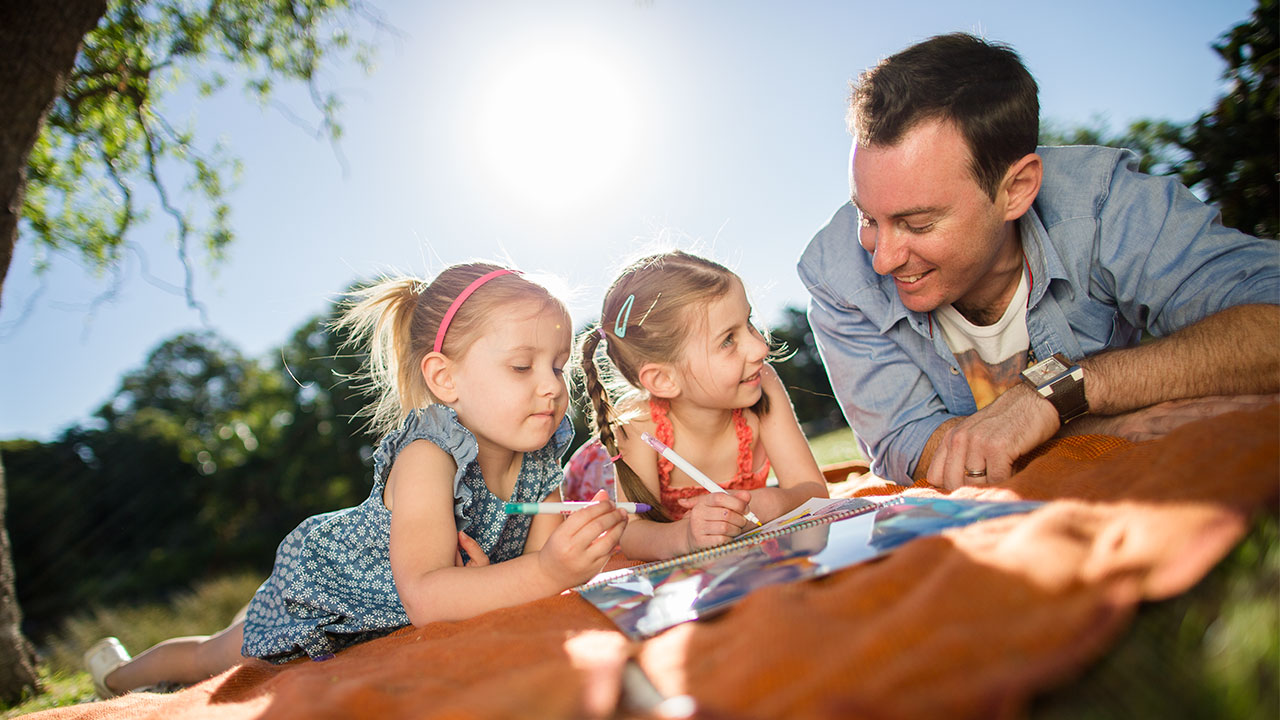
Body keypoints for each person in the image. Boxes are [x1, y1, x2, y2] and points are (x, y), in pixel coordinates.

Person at [84, 262, 627, 697]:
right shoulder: (428, 456)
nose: (552, 387)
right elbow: (429, 596)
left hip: (410, 603)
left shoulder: (540, 458)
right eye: (520, 367)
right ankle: (117, 676)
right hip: (328, 588)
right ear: (445, 378)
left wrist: (578, 548)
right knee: (216, 656)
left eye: (557, 366)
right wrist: (547, 568)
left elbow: (537, 569)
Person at [798, 32, 1280, 491]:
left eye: (919, 223)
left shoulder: (1105, 203)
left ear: (1017, 189)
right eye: (867, 217)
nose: (882, 260)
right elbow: (907, 443)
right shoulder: (834, 272)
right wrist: (1096, 424)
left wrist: (1064, 389)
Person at [570, 250, 829, 560]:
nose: (760, 347)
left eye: (748, 323)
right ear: (664, 380)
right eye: (728, 340)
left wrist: (768, 503)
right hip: (595, 484)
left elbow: (813, 491)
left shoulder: (763, 384)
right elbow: (633, 533)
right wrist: (687, 535)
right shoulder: (637, 428)